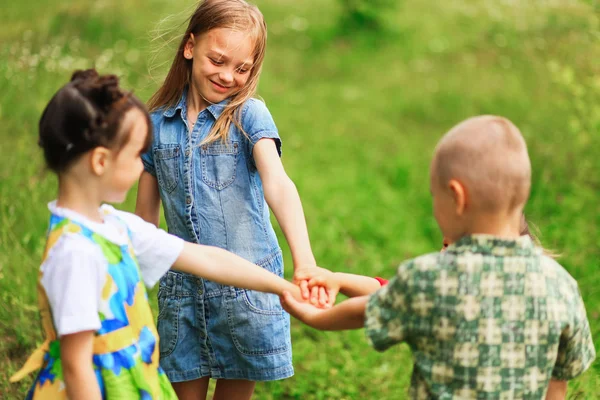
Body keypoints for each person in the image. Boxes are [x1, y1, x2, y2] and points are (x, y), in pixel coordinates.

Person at [9, 69, 303, 400]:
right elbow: (77, 367)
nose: (142, 166)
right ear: (101, 161)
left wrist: (284, 288)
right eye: (136, 154)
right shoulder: (75, 252)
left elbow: (205, 257)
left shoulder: (114, 226)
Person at [281, 116, 595, 399]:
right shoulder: (561, 286)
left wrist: (317, 318)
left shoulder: (430, 279)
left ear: (457, 197)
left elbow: (368, 309)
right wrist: (338, 279)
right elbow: (558, 383)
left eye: (435, 196)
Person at [135, 1, 330, 398]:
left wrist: (304, 259)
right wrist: (130, 285)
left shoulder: (249, 115)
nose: (228, 76)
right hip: (182, 298)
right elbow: (143, 224)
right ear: (190, 47)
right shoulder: (154, 127)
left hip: (248, 297)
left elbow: (278, 184)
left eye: (241, 69)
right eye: (218, 60)